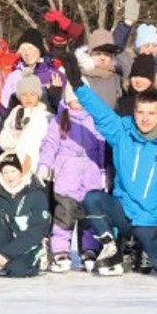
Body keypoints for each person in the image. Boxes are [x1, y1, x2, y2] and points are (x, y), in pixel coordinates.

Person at [63, 53, 157, 276]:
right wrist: (77, 83)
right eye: (140, 113)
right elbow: (99, 111)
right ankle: (111, 248)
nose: (145, 118)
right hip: (122, 213)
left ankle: (145, 250)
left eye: (151, 113)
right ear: (134, 113)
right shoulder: (122, 133)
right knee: (92, 199)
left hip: (150, 220)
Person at [37, 87, 107, 273]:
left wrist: (103, 171)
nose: (78, 103)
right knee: (64, 215)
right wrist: (44, 165)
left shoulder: (95, 119)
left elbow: (101, 144)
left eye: (81, 99)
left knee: (89, 216)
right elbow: (50, 144)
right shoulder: (60, 120)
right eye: (74, 99)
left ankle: (89, 250)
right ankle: (60, 252)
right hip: (67, 177)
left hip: (91, 174)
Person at [0, 152, 50, 278]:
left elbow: (36, 231)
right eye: (5, 172)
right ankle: (0, 260)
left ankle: (36, 257)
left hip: (27, 245)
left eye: (13, 171)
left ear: (23, 171)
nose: (9, 176)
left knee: (19, 270)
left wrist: (7, 254)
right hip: (2, 245)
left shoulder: (36, 194)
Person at [0, 75, 51, 176]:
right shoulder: (15, 113)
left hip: (36, 164)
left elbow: (48, 142)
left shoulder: (44, 116)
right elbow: (4, 135)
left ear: (38, 96)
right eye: (24, 95)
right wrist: (14, 139)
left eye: (32, 94)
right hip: (15, 162)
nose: (28, 98)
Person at [0, 27, 63, 113]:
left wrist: (55, 95)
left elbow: (68, 109)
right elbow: (4, 110)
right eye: (23, 50)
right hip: (21, 120)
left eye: (31, 48)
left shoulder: (55, 73)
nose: (27, 53)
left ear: (40, 49)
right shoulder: (14, 76)